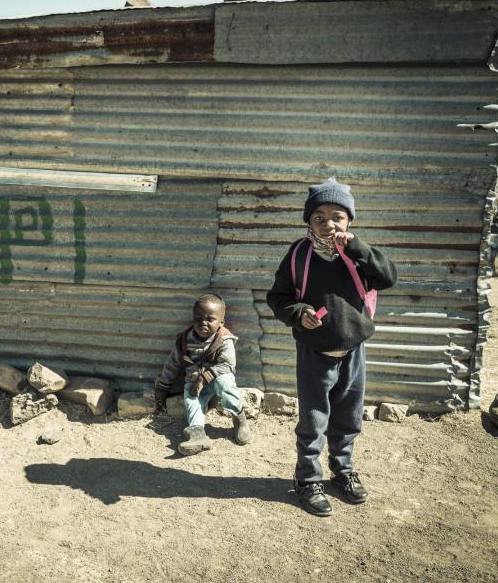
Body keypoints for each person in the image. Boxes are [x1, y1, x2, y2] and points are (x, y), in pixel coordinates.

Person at [266, 178, 397, 516]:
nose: (328, 224)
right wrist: (298, 314)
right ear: (308, 221)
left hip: (353, 350)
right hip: (314, 352)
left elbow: (388, 278)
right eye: (319, 217)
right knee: (313, 419)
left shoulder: (357, 254)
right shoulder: (298, 255)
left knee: (348, 416)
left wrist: (358, 249)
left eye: (337, 216)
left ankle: (343, 471)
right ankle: (308, 479)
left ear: (349, 220)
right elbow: (277, 297)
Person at [155, 293, 251, 456]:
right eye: (198, 318)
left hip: (218, 379)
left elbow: (228, 365)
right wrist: (162, 389)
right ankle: (198, 434)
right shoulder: (184, 341)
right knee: (191, 398)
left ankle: (239, 418)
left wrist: (204, 377)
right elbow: (172, 366)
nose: (203, 323)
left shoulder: (224, 339)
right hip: (196, 383)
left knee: (226, 383)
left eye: (210, 319)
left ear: (221, 322)